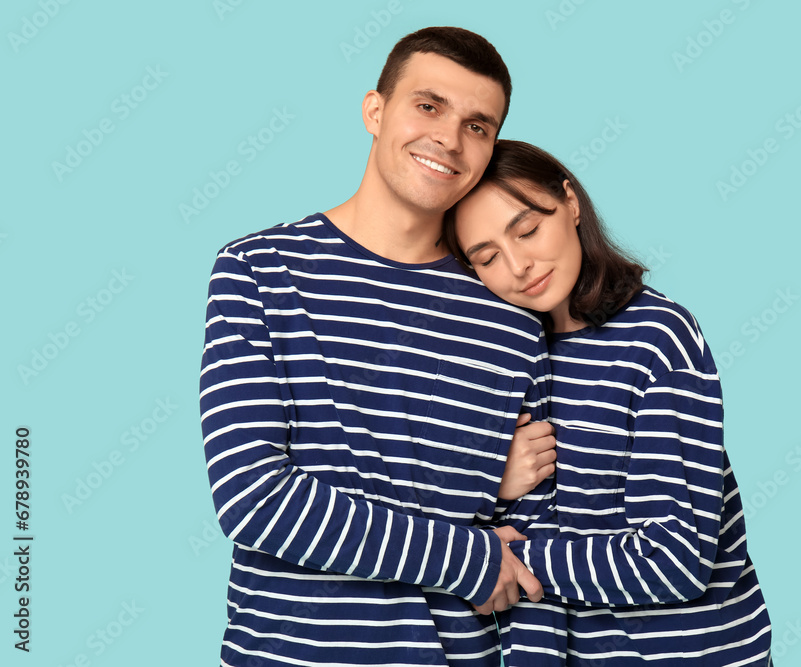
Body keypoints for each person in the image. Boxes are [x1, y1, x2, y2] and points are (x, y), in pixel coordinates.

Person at [199, 29, 558, 666]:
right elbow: (254, 498)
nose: (449, 138)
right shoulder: (259, 271)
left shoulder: (513, 311)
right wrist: (466, 547)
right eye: (429, 105)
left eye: (478, 126)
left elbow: (537, 530)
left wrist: (491, 496)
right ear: (375, 110)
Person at [445, 140, 774, 666]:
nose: (519, 265)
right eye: (487, 258)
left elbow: (675, 559)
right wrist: (494, 482)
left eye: (527, 229)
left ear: (570, 203)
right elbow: (429, 516)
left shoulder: (657, 339)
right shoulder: (497, 361)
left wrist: (499, 560)